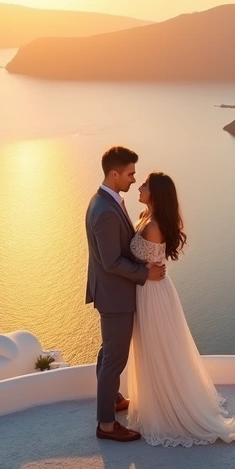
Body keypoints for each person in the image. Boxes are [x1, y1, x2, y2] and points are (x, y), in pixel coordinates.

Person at [124, 171, 235, 447]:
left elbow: (143, 262)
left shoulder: (152, 226)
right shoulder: (147, 219)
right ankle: (159, 400)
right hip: (152, 289)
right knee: (156, 348)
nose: (140, 186)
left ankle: (167, 407)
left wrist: (143, 269)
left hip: (152, 293)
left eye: (145, 184)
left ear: (155, 193)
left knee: (158, 348)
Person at [85, 146, 164, 442]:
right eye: (130, 174)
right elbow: (111, 262)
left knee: (109, 352)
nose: (133, 180)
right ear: (114, 173)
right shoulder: (105, 211)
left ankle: (114, 400)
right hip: (115, 296)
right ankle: (106, 424)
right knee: (114, 359)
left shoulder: (107, 200)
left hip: (111, 292)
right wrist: (146, 274)